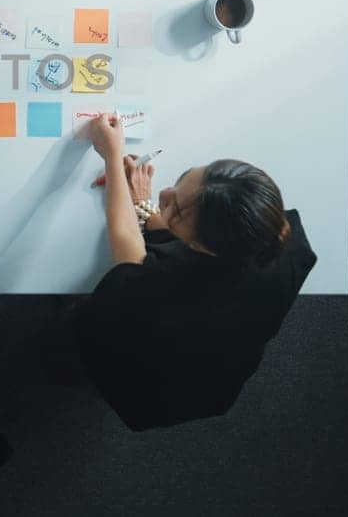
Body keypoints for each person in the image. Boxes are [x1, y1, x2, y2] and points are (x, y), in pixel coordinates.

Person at [69, 114, 316, 430]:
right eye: (183, 179)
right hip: (218, 376)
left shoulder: (154, 287)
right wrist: (152, 210)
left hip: (155, 386)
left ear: (201, 246)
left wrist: (112, 157)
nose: (165, 194)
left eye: (176, 209)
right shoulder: (286, 238)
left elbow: (126, 241)